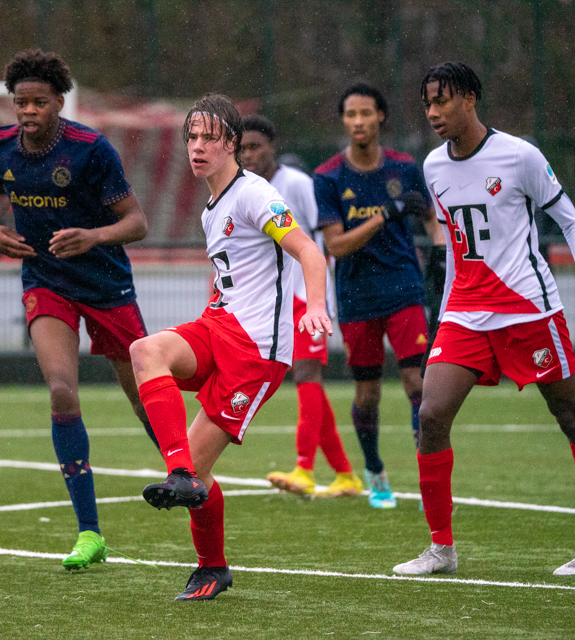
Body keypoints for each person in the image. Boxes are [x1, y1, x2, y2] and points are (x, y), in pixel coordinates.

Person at [393, 62, 575, 576]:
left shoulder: (520, 156)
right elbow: (456, 251)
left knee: (573, 418)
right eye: (427, 103)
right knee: (430, 416)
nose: (432, 112)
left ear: (469, 99)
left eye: (441, 101)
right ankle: (441, 549)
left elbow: (572, 221)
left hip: (529, 312)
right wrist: (441, 317)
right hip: (466, 315)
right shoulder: (432, 167)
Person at [129, 95, 334, 601]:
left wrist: (315, 307)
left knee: (199, 473)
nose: (197, 148)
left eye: (208, 138)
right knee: (145, 351)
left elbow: (308, 250)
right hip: (218, 326)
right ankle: (182, 477)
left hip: (257, 351)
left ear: (232, 145)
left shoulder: (254, 195)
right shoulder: (211, 209)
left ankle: (211, 566)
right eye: (191, 138)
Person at [0, 48, 159, 572]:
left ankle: (189, 473)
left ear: (59, 101)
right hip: (46, 280)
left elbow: (137, 222)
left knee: (145, 398)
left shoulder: (90, 149)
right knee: (61, 391)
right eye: (20, 103)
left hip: (105, 284)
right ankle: (89, 532)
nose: (28, 111)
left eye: (38, 102)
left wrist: (93, 236)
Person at [314, 83, 445, 509]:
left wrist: (441, 250)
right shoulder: (328, 176)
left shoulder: (407, 168)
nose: (357, 122)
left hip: (404, 288)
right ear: (343, 120)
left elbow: (430, 217)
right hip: (356, 296)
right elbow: (335, 246)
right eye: (350, 114)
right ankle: (374, 471)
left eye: (365, 113)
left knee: (416, 383)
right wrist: (385, 216)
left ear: (380, 117)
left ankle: (429, 480)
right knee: (367, 394)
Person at [240, 114, 361, 499]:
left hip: (307, 298)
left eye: (255, 147)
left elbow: (324, 238)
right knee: (308, 382)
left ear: (272, 146)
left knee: (306, 375)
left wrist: (321, 297)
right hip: (276, 300)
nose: (248, 155)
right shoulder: (244, 188)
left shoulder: (298, 185)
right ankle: (345, 475)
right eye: (241, 149)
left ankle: (305, 469)